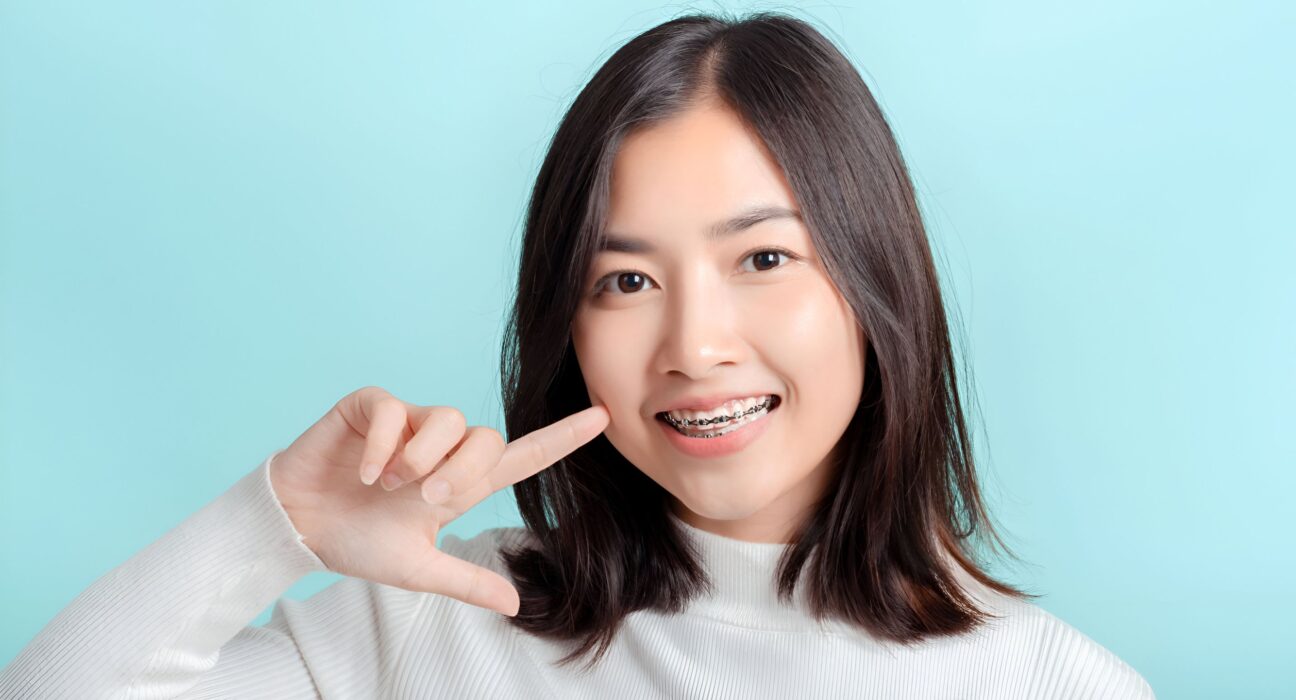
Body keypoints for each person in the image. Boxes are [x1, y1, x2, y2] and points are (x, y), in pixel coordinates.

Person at [0, 11, 1156, 699]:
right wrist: (270, 528)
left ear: (876, 288)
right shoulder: (450, 623)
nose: (695, 343)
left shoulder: (1047, 683)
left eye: (762, 259)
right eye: (626, 281)